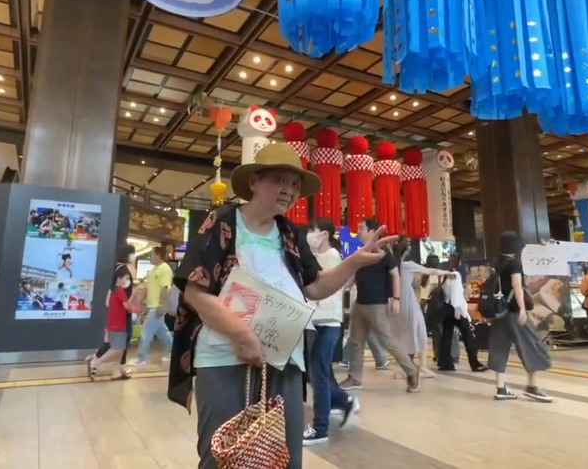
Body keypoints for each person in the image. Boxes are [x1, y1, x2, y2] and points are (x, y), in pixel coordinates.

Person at [167, 143, 397, 469]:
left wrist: (355, 261)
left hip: (284, 359)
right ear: (253, 182)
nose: (288, 190)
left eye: (294, 184)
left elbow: (315, 286)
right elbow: (195, 291)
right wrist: (241, 334)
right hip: (223, 358)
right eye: (278, 180)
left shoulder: (289, 233)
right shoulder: (223, 221)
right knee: (223, 457)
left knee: (282, 457)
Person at [339, 218, 420, 393]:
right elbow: (354, 276)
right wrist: (341, 287)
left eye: (361, 228)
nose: (358, 231)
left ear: (372, 232)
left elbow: (395, 275)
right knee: (356, 342)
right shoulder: (361, 253)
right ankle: (354, 377)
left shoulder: (384, 254)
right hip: (360, 304)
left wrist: (396, 299)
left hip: (377, 305)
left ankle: (412, 371)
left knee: (387, 341)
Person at [303, 217, 359, 446]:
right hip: (313, 321)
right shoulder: (316, 256)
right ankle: (344, 401)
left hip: (327, 322)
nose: (309, 235)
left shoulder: (332, 256)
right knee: (317, 373)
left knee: (318, 374)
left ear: (324, 234)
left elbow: (324, 286)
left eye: (313, 230)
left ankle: (320, 428)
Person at [487, 231, 552, 403]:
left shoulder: (496, 263)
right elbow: (517, 286)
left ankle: (501, 388)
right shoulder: (514, 264)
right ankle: (532, 386)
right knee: (530, 344)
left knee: (499, 347)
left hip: (499, 313)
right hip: (514, 312)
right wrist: (522, 309)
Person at [390, 246, 452, 379]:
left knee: (402, 335)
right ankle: (422, 366)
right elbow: (430, 270)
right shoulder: (408, 265)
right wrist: (448, 272)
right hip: (409, 301)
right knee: (420, 332)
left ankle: (402, 367)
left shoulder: (391, 265)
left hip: (396, 302)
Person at [436, 256, 487, 372]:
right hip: (456, 309)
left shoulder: (446, 276)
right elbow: (456, 294)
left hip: (447, 308)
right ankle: (474, 363)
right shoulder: (456, 275)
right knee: (468, 335)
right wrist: (459, 310)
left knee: (447, 336)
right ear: (459, 263)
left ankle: (445, 363)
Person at [89, 245, 138, 366]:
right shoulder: (123, 271)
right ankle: (97, 361)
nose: (134, 256)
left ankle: (97, 359)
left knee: (113, 340)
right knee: (121, 340)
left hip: (114, 307)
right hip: (121, 309)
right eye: (133, 253)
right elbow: (125, 290)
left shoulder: (117, 267)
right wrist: (134, 298)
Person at [88, 266, 139, 381]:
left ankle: (116, 373)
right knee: (117, 349)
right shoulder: (119, 291)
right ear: (119, 278)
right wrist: (135, 301)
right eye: (126, 278)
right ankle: (95, 362)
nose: (127, 281)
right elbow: (127, 307)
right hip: (118, 325)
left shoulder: (114, 290)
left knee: (120, 350)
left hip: (115, 323)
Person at [136, 247, 174, 365]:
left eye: (151, 255)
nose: (150, 257)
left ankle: (141, 358)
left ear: (158, 255)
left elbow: (165, 288)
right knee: (163, 333)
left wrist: (162, 305)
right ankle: (174, 352)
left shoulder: (165, 269)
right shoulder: (153, 270)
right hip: (152, 306)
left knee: (146, 333)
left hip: (157, 307)